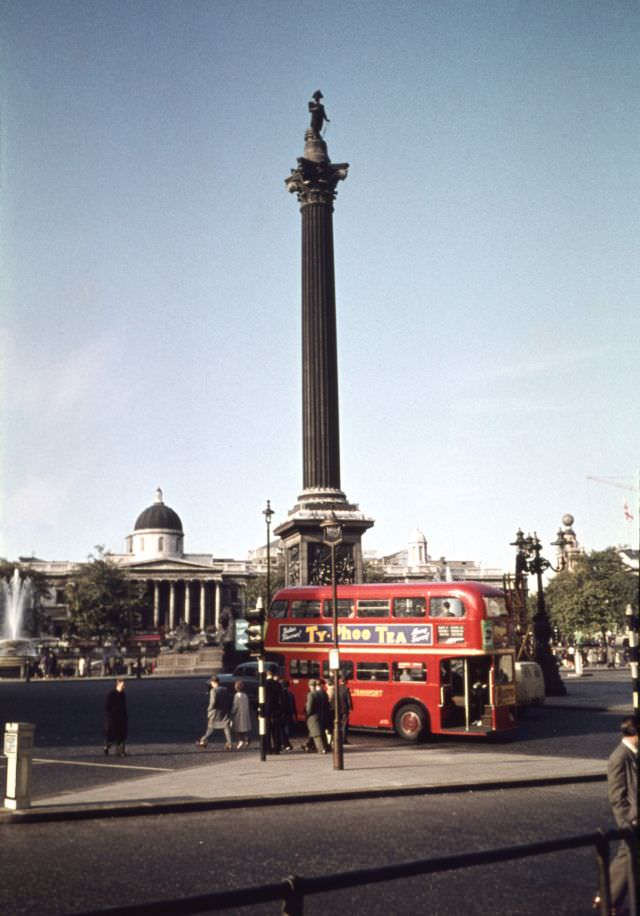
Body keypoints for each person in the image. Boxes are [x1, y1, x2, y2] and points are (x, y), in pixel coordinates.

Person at [594, 716, 638, 914]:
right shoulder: (619, 757)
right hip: (632, 820)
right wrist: (627, 822)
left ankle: (607, 898)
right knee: (627, 854)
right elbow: (616, 795)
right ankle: (606, 898)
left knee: (628, 855)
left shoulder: (633, 754)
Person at [196, 675, 233, 750]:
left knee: (210, 727)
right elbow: (229, 700)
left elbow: (212, 702)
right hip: (224, 711)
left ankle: (203, 740)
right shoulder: (225, 689)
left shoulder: (213, 691)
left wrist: (209, 709)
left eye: (211, 683)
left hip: (215, 712)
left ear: (213, 682)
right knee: (226, 727)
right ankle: (229, 743)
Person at [104, 678, 128, 756]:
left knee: (122, 734)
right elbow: (107, 706)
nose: (124, 686)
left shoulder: (123, 694)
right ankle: (107, 746)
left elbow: (124, 706)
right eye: (123, 684)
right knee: (112, 735)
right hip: (113, 718)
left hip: (122, 717)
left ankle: (121, 751)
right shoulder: (111, 694)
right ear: (118, 684)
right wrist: (111, 715)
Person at [304, 680, 329, 754]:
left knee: (316, 734)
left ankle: (321, 749)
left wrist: (307, 714)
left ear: (311, 686)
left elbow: (309, 707)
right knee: (319, 732)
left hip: (313, 717)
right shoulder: (321, 694)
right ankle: (309, 745)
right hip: (320, 715)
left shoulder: (311, 694)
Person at [231, 680, 251, 750]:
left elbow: (235, 706)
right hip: (245, 714)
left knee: (238, 729)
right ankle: (246, 738)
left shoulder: (236, 696)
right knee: (244, 729)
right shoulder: (245, 695)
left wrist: (232, 712)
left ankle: (241, 741)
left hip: (238, 715)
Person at [280, 679, 298, 751]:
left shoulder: (281, 694)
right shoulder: (291, 694)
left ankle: (285, 744)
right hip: (289, 714)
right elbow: (294, 706)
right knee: (286, 730)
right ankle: (286, 744)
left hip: (283, 715)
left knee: (282, 730)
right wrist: (295, 715)